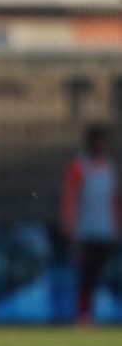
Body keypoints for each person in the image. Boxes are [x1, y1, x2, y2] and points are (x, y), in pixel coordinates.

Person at [61, 124, 119, 328]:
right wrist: (70, 226)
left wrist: (116, 227)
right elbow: (70, 198)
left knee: (99, 276)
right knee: (85, 276)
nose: (100, 145)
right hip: (85, 232)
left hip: (105, 231)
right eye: (97, 140)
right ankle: (83, 317)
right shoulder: (78, 167)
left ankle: (92, 314)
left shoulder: (109, 168)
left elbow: (113, 200)